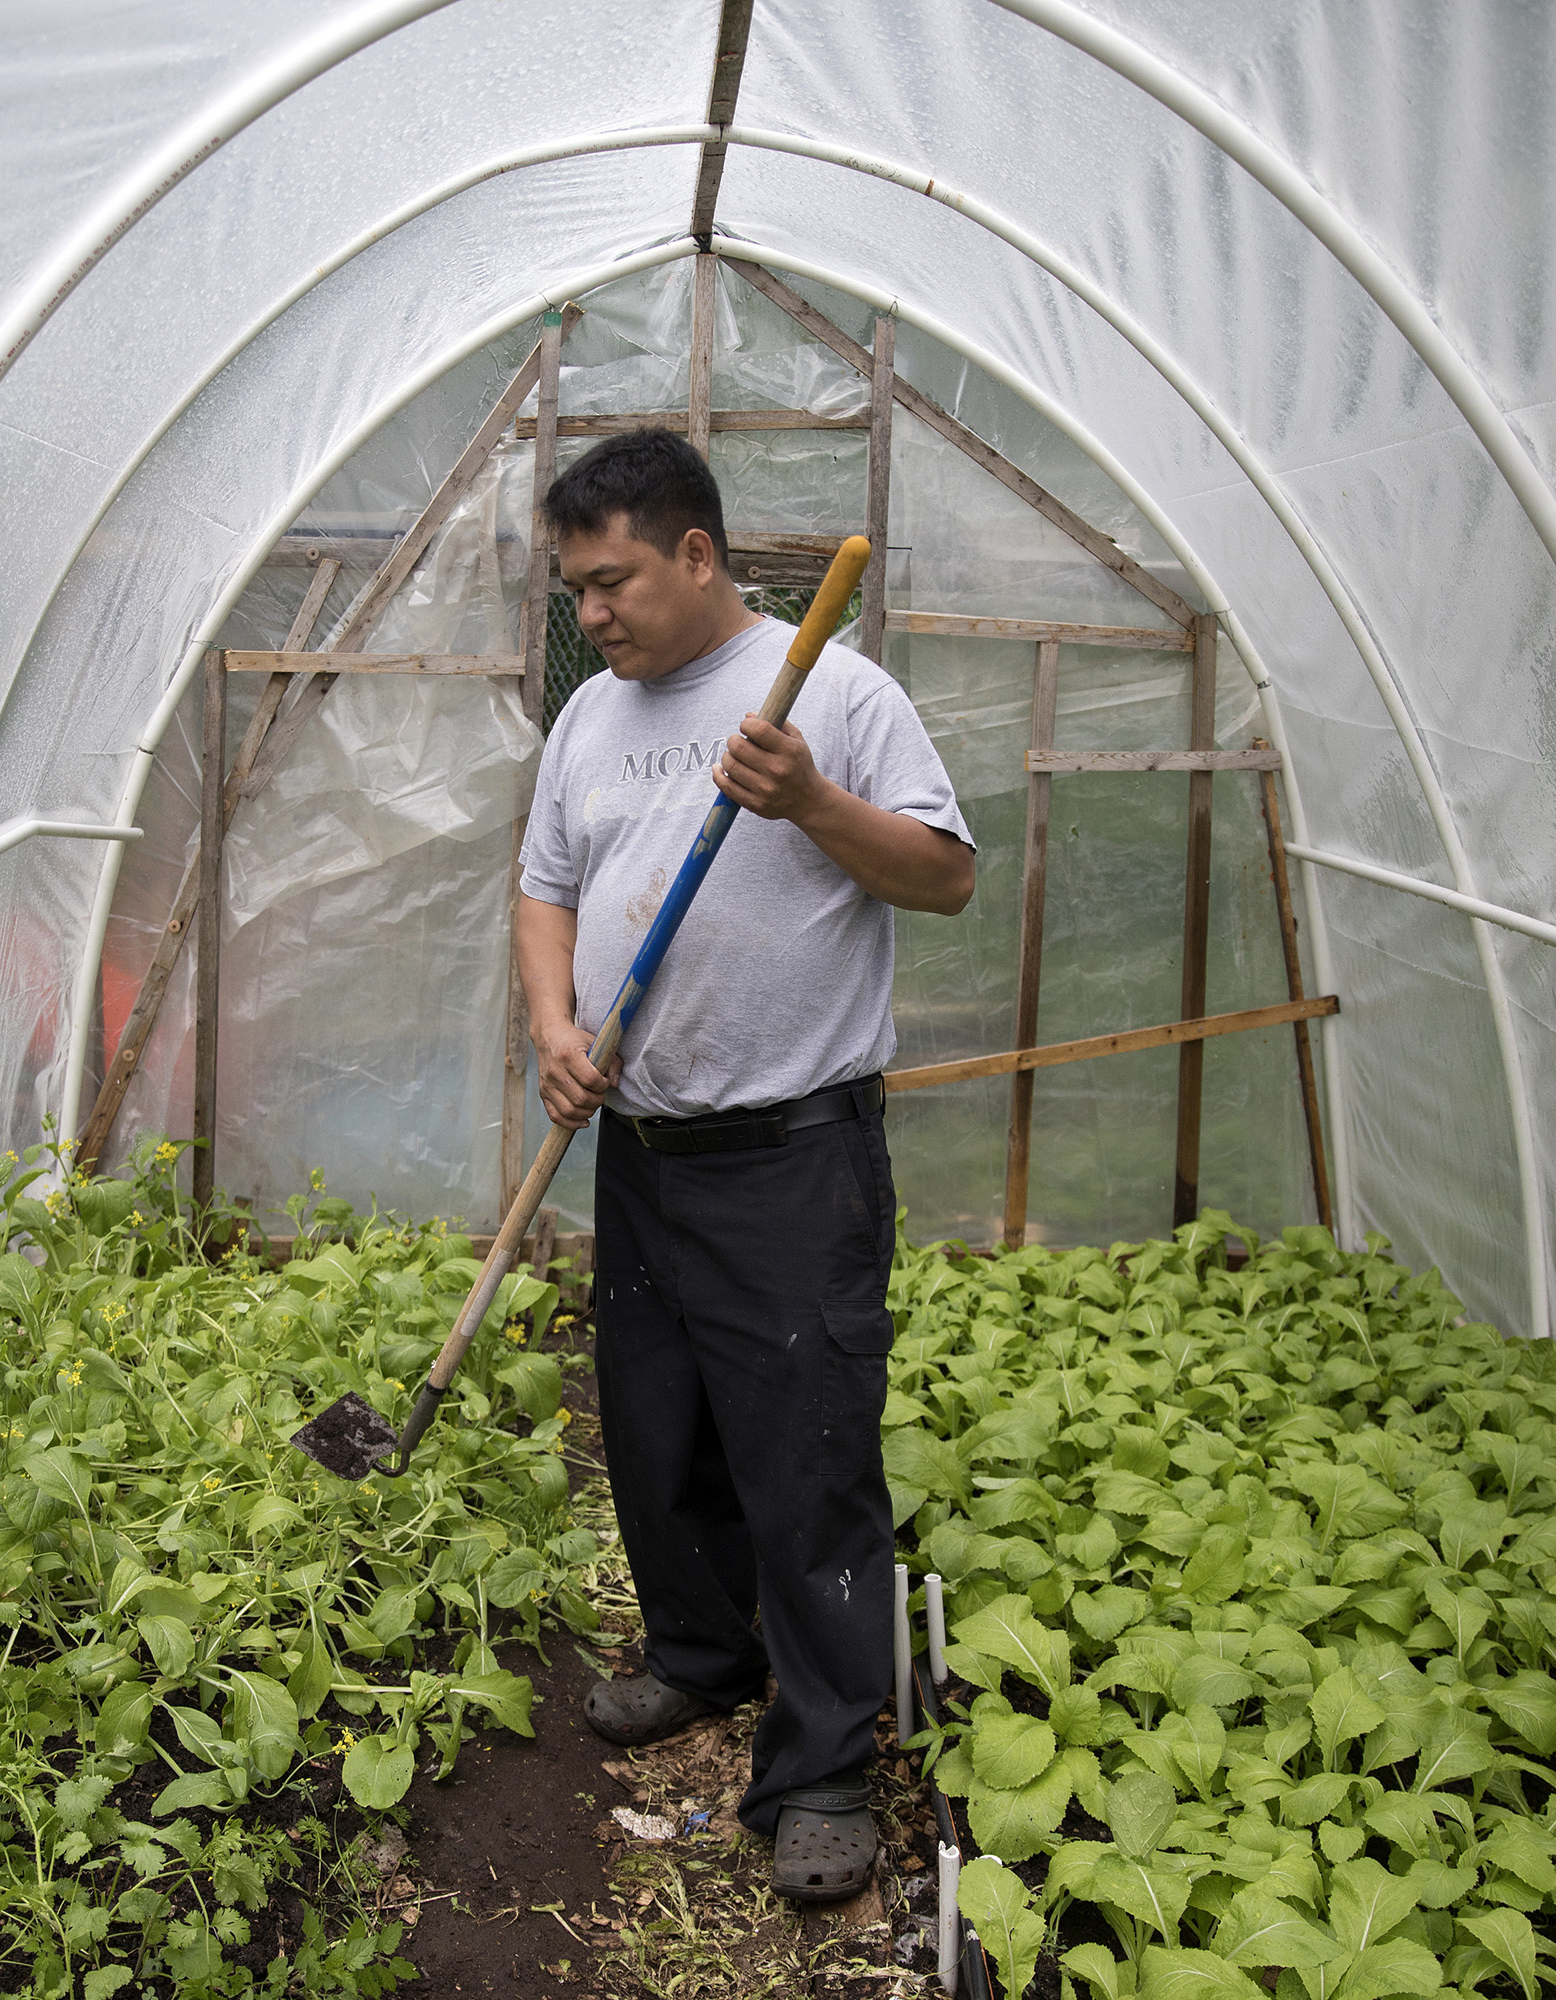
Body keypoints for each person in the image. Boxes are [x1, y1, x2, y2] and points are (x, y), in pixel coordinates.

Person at [515, 427, 974, 1903]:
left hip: (792, 1155)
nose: (594, 615)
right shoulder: (590, 715)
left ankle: (826, 1762)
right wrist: (553, 1027)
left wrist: (813, 805)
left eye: (613, 583)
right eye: (577, 590)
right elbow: (544, 890)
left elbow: (947, 876)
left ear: (697, 556)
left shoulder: (834, 691)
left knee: (808, 1456)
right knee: (658, 1432)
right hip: (644, 1149)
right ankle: (701, 1654)